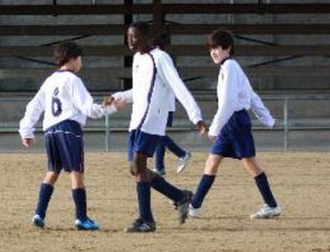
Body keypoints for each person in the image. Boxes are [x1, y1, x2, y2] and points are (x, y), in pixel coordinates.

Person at [106, 21, 206, 232]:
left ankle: (147, 220)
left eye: (134, 36)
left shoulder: (160, 58)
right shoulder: (137, 59)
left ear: (146, 37)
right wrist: (117, 96)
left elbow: (179, 87)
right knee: (136, 169)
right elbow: (138, 91)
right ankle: (180, 196)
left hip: (152, 121)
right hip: (136, 120)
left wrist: (195, 115)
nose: (130, 41)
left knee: (139, 166)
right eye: (128, 37)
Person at [19, 41, 116, 230]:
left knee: (52, 171)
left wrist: (26, 130)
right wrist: (111, 107)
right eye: (80, 59)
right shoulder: (73, 80)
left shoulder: (50, 80)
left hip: (51, 130)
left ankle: (39, 213)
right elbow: (89, 109)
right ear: (72, 58)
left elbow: (34, 106)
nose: (81, 63)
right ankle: (81, 217)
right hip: (69, 128)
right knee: (76, 171)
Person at [185, 29, 281, 220]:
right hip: (233, 122)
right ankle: (194, 206)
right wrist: (267, 118)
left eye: (217, 48)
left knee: (249, 163)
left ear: (228, 48)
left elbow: (229, 102)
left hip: (234, 122)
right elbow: (250, 94)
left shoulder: (230, 68)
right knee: (213, 161)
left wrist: (215, 127)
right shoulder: (230, 67)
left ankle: (272, 205)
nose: (213, 52)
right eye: (211, 48)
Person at [150, 35, 193, 177]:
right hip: (163, 105)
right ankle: (160, 167)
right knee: (159, 134)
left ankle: (182, 154)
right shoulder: (159, 59)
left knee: (157, 134)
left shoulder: (161, 59)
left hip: (164, 106)